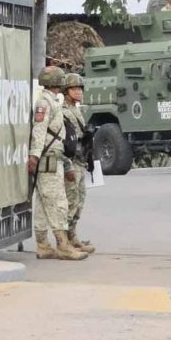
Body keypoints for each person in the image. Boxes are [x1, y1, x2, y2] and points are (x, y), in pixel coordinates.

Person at [29, 65, 88, 261]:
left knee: (43, 204)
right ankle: (63, 246)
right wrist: (34, 155)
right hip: (49, 159)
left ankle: (43, 245)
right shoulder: (45, 103)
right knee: (58, 203)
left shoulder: (51, 101)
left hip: (51, 158)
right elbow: (39, 130)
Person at [60, 73, 95, 254]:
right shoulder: (64, 112)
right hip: (72, 161)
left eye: (80, 88)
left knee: (80, 200)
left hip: (80, 161)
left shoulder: (76, 110)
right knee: (71, 201)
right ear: (66, 91)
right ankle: (65, 240)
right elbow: (67, 141)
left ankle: (72, 235)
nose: (79, 91)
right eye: (74, 88)